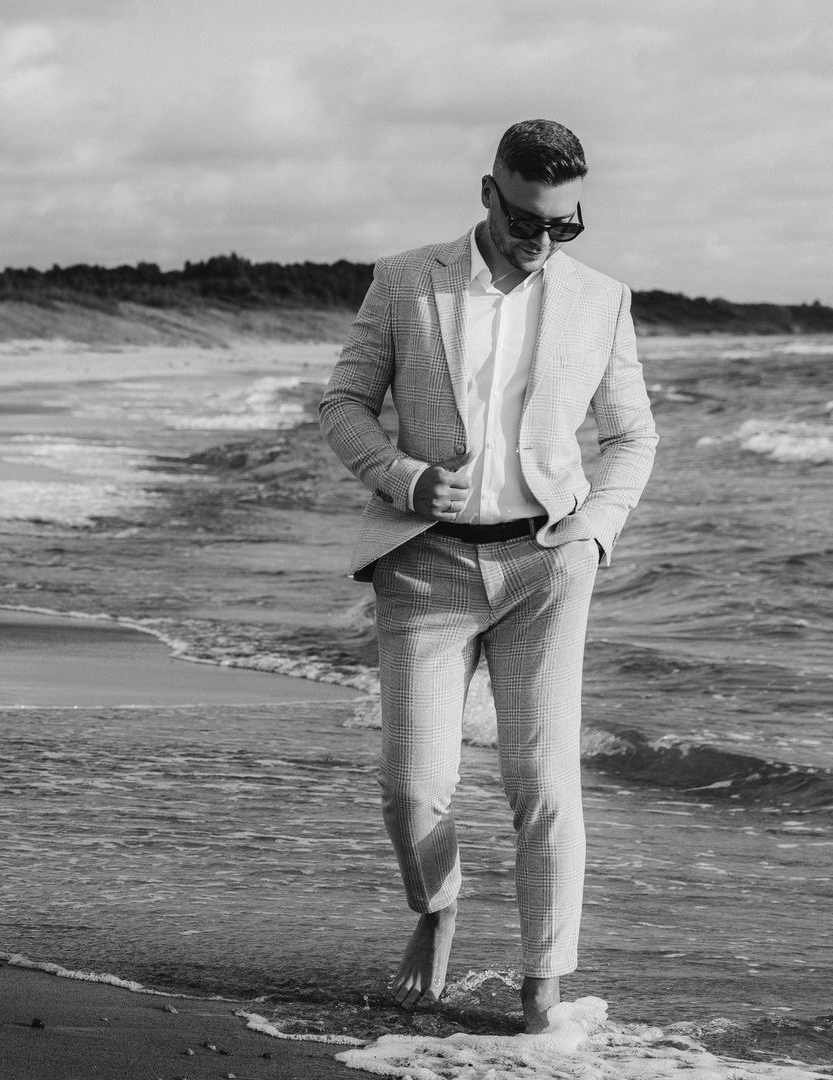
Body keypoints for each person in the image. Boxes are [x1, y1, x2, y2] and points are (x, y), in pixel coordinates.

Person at [318, 119, 656, 1032]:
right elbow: (343, 401)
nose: (541, 240)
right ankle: (437, 907)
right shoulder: (404, 280)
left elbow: (631, 436)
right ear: (487, 193)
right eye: (525, 219)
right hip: (423, 561)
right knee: (411, 785)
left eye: (564, 225)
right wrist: (403, 475)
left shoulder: (602, 300)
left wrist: (595, 530)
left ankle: (543, 983)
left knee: (544, 784)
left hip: (545, 565)